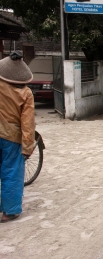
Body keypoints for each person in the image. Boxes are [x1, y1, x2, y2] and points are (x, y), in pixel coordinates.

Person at [0, 51, 35, 223]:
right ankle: (10, 211)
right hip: (11, 138)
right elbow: (27, 123)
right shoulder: (26, 93)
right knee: (12, 172)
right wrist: (28, 147)